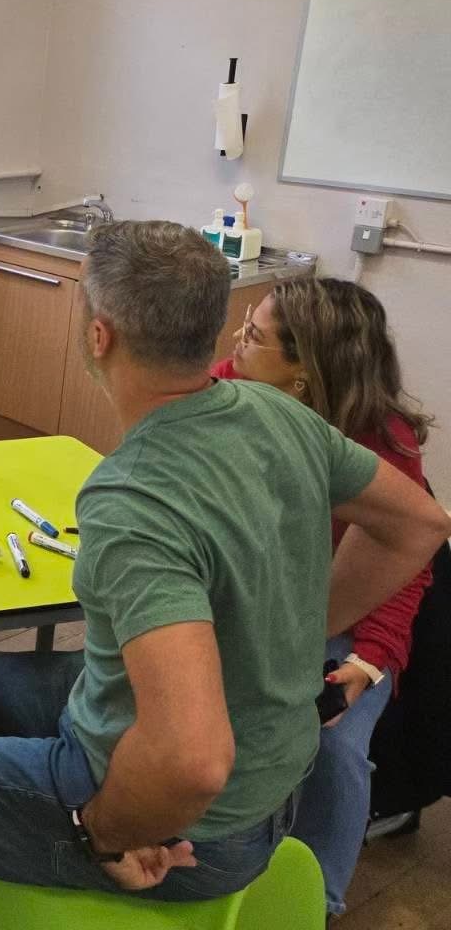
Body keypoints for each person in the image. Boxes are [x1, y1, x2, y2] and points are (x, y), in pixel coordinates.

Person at [0, 221, 451, 927]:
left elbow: (193, 760)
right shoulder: (278, 413)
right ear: (211, 327)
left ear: (99, 336)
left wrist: (105, 830)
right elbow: (421, 523)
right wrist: (309, 627)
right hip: (276, 790)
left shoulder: (131, 501)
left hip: (197, 838)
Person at [213, 277, 435, 916]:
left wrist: (368, 662)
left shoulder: (382, 444)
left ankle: (318, 904)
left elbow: (407, 569)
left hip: (350, 625)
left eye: (254, 335)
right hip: (268, 605)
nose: (236, 342)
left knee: (333, 745)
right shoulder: (232, 386)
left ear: (303, 374)